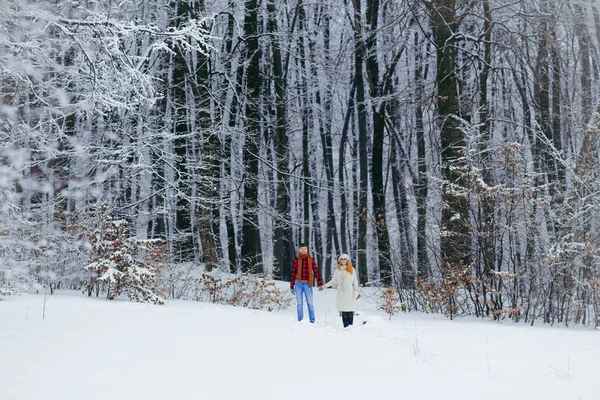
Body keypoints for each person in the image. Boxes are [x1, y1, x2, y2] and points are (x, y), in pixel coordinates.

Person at [290, 243, 324, 323]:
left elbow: (316, 271)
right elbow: (293, 273)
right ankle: (300, 320)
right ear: (299, 250)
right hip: (298, 284)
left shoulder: (311, 260)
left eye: (305, 249)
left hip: (307, 284)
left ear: (307, 250)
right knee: (299, 303)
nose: (303, 250)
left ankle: (312, 320)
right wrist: (292, 285)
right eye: (302, 249)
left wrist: (319, 283)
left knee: (310, 303)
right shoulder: (296, 260)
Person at [324, 253, 359, 327]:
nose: (343, 260)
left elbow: (355, 281)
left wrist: (356, 290)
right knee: (344, 310)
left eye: (345, 259)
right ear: (339, 261)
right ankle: (345, 327)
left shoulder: (352, 269)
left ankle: (351, 326)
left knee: (349, 310)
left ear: (347, 260)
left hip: (350, 293)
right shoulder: (338, 270)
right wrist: (324, 286)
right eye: (341, 259)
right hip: (341, 293)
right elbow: (333, 281)